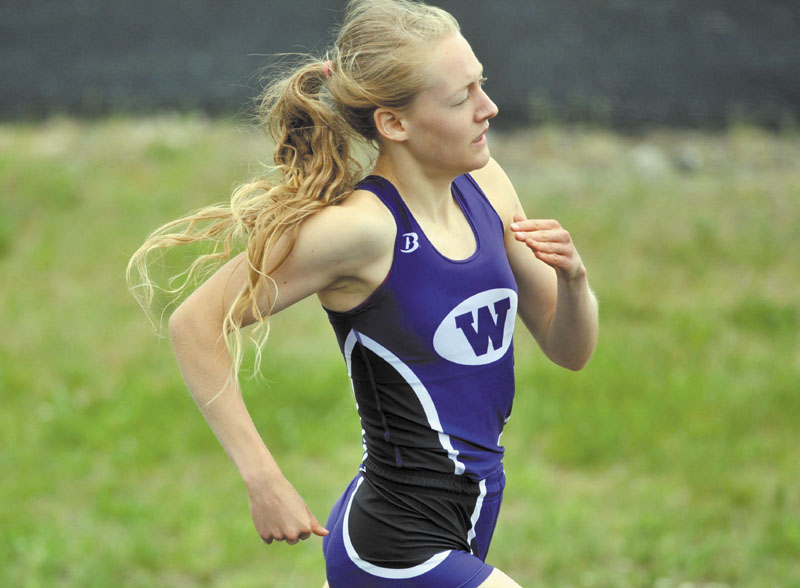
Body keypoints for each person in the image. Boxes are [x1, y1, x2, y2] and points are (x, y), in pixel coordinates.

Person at [127, 0, 598, 585]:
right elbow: (194, 325)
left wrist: (573, 279)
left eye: (482, 83)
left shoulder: (487, 185)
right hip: (395, 546)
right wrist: (263, 480)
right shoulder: (361, 231)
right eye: (461, 98)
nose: (489, 108)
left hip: (465, 521)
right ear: (393, 124)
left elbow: (569, 350)